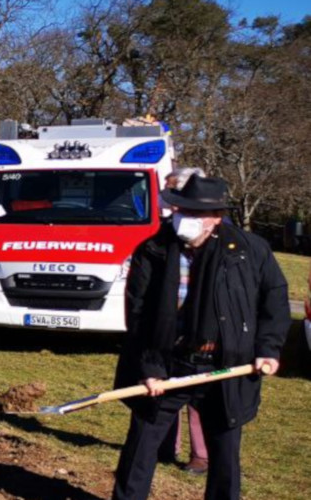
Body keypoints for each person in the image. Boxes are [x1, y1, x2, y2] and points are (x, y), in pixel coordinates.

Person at [111, 175, 288, 500]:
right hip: (169, 361)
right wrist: (151, 367)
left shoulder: (248, 250)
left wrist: (268, 348)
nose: (183, 219)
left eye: (193, 213)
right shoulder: (153, 249)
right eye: (180, 210)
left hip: (226, 364)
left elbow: (274, 297)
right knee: (142, 443)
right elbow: (137, 314)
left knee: (224, 455)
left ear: (216, 218)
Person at [156, 166, 210, 474]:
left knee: (198, 395)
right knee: (163, 386)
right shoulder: (165, 234)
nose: (170, 205)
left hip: (202, 330)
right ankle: (164, 445)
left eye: (175, 195)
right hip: (168, 326)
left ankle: (201, 454)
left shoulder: (217, 234)